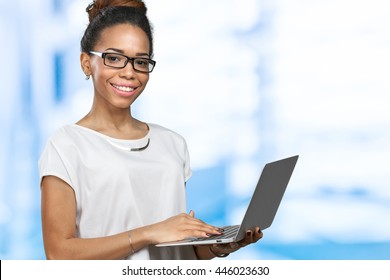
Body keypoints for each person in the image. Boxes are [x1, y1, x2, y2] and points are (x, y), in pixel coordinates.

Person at [39, 0, 263, 260]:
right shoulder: (66, 145)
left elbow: (174, 245)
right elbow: (58, 254)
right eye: (114, 58)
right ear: (86, 63)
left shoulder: (172, 143)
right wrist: (149, 232)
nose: (129, 72)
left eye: (141, 62)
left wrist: (214, 245)